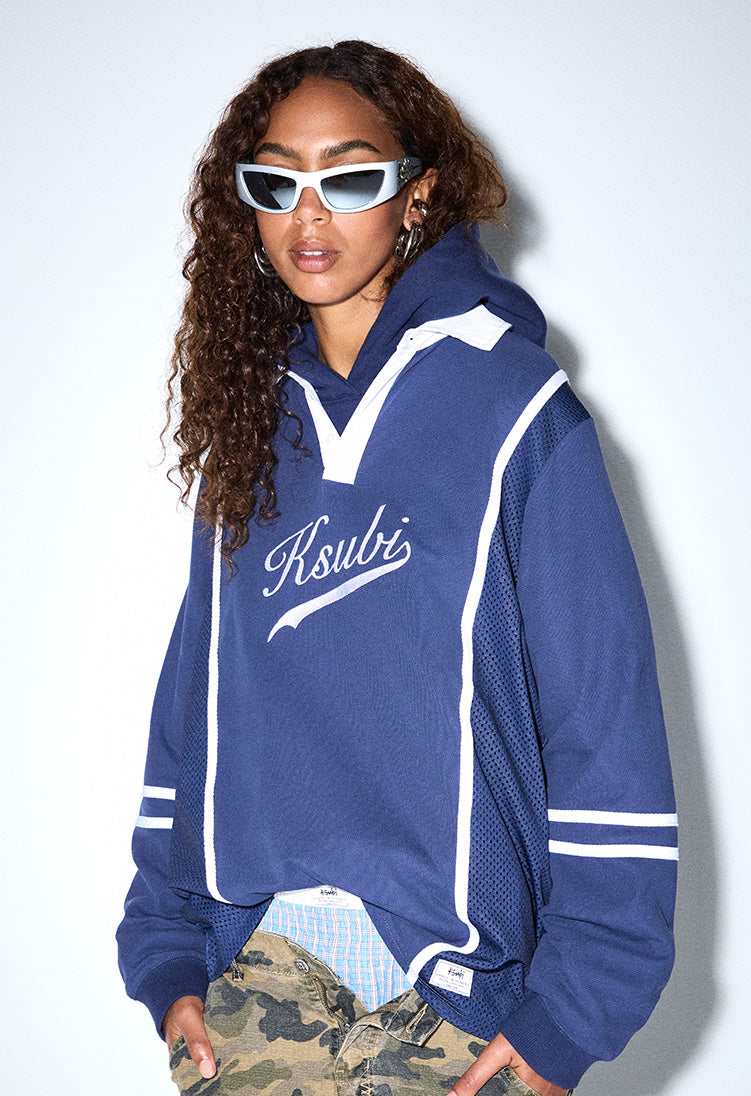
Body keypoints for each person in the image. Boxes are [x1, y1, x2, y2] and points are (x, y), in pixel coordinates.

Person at [117, 40, 678, 1096]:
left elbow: (603, 722)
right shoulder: (250, 427)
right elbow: (197, 705)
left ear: (418, 194)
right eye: (275, 182)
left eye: (349, 178)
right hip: (255, 977)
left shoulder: (516, 411)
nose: (308, 214)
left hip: (460, 1000)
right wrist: (167, 945)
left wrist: (576, 1011)